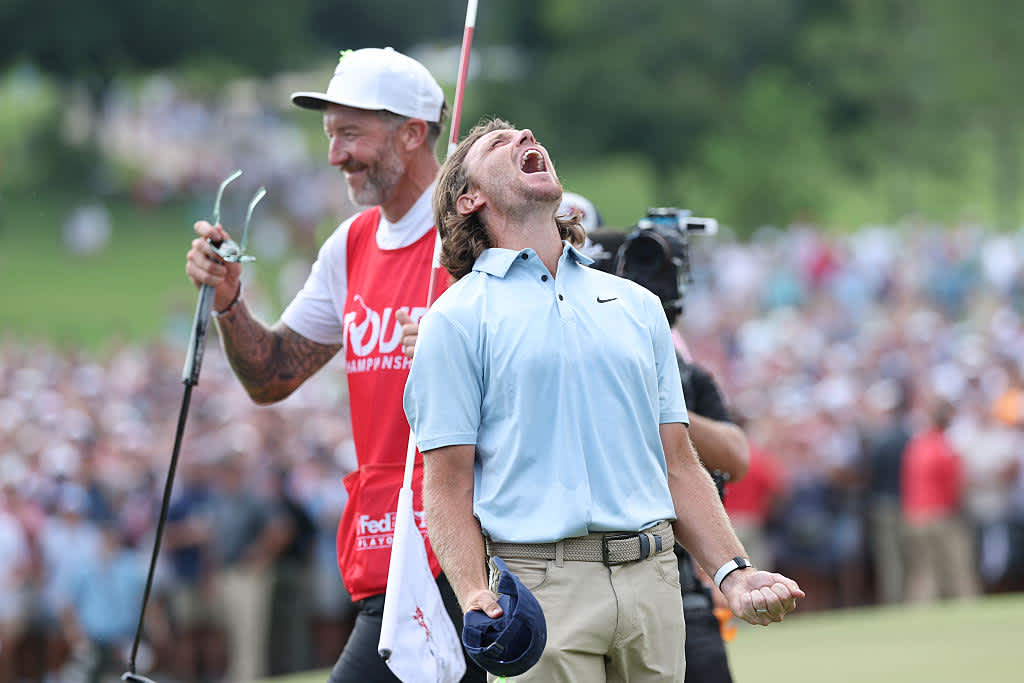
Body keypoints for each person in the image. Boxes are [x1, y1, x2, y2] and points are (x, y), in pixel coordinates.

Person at [404, 118, 804, 681]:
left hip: (654, 582)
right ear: (469, 198)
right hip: (540, 590)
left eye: (527, 135)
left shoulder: (638, 306)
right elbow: (445, 485)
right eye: (500, 143)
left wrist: (733, 573)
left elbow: (677, 463)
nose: (524, 138)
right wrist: (473, 593)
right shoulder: (455, 319)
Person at [185, 47, 484, 682]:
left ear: (412, 132)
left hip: (476, 550)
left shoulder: (475, 229)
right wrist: (229, 302)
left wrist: (460, 339)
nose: (334, 155)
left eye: (351, 133)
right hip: (395, 549)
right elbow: (271, 375)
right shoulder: (347, 246)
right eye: (330, 135)